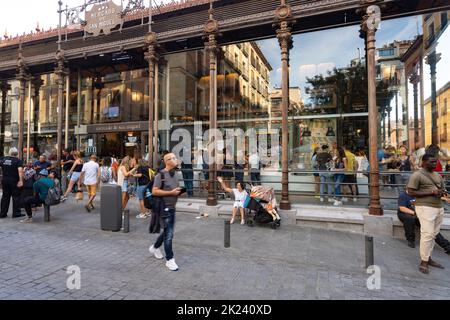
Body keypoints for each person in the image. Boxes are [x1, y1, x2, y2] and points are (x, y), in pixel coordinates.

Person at [407, 154, 449, 274]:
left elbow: (442, 190)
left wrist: (441, 192)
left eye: (435, 162)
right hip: (425, 208)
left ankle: (428, 258)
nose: (434, 164)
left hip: (439, 207)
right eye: (432, 162)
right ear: (424, 162)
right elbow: (410, 192)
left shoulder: (438, 175)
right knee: (427, 234)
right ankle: (424, 261)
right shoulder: (417, 175)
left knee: (433, 235)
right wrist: (431, 192)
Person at [148, 153, 183, 271]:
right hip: (164, 208)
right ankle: (170, 259)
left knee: (168, 233)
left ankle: (155, 247)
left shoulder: (176, 174)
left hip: (172, 208)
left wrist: (180, 192)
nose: (175, 159)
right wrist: (171, 193)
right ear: (167, 161)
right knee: (169, 235)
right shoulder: (160, 175)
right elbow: (154, 191)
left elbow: (174, 189)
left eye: (175, 157)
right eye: (173, 158)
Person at [0, 148, 25, 219]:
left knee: (5, 197)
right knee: (16, 196)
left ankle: (3, 213)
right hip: (14, 181)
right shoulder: (18, 161)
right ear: (17, 153)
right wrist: (21, 180)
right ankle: (16, 213)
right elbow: (20, 171)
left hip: (5, 180)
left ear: (9, 153)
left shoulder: (3, 159)